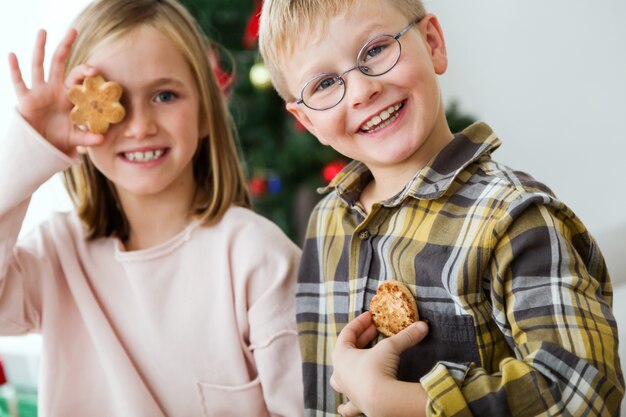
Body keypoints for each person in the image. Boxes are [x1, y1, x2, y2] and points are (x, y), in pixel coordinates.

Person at [258, 0, 624, 416]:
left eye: (375, 50)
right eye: (323, 83)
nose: (362, 91)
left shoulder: (515, 219)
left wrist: (396, 401)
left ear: (432, 43)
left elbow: (584, 393)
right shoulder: (325, 224)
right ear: (307, 122)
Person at [1, 0, 304, 415]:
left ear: (203, 114)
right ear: (81, 115)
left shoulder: (257, 257)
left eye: (165, 95)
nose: (140, 125)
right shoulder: (57, 252)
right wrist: (28, 151)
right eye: (115, 100)